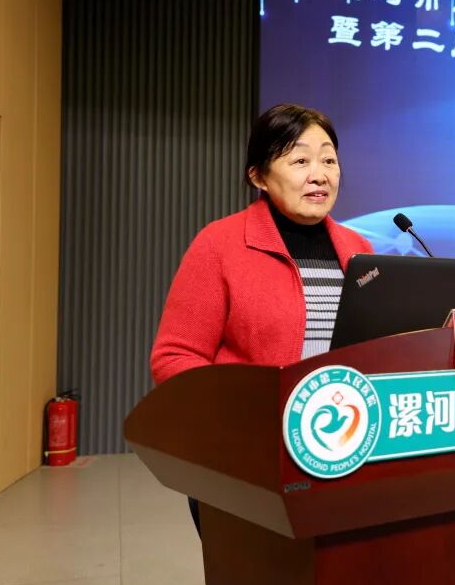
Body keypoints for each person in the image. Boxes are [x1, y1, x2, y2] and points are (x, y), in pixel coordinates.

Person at [150, 104, 374, 533]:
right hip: (244, 458)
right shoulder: (219, 244)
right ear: (258, 176)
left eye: (329, 160)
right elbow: (174, 358)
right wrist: (242, 415)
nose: (320, 175)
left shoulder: (359, 249)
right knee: (255, 573)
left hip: (340, 450)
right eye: (300, 161)